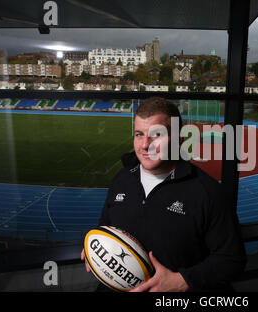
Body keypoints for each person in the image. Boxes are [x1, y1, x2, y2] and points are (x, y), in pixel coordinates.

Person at [81, 97, 246, 292]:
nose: (145, 145)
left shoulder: (206, 192)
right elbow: (105, 227)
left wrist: (183, 281)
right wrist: (95, 248)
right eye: (139, 134)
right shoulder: (122, 179)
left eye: (156, 135)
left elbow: (232, 259)